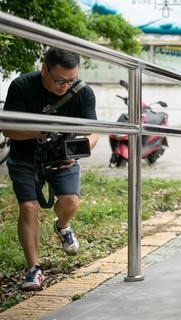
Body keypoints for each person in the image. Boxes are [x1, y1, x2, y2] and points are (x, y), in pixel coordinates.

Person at [2, 48, 98, 291]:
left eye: (71, 80)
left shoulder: (83, 92)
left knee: (70, 202)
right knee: (28, 207)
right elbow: (8, 129)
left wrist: (80, 149)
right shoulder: (22, 86)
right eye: (59, 80)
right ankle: (33, 268)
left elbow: (93, 131)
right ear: (44, 69)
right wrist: (40, 132)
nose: (65, 86)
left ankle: (62, 226)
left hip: (62, 159)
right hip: (25, 157)